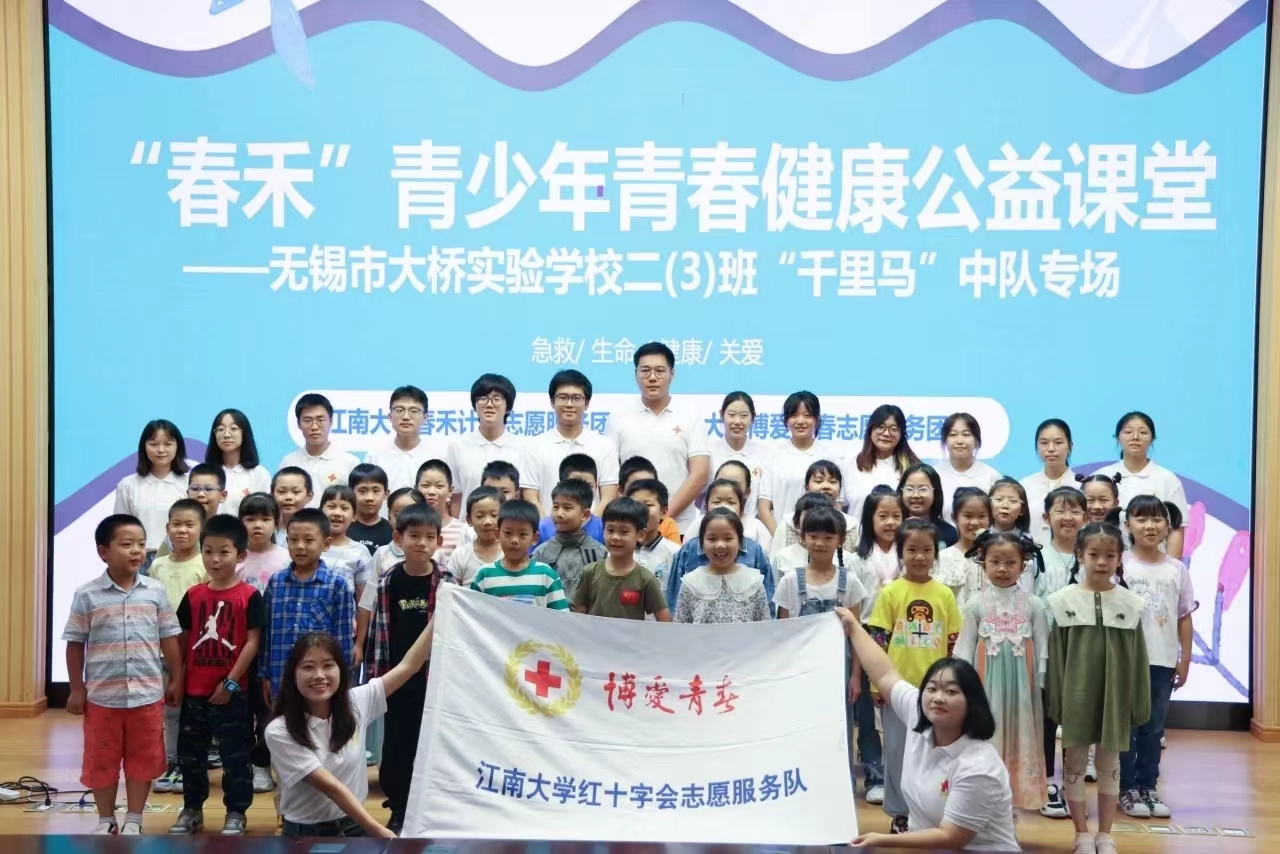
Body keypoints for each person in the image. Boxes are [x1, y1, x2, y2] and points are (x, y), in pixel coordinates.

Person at [834, 607, 1019, 851]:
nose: (938, 698)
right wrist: (854, 627)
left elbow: (951, 837)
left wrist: (881, 839)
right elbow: (885, 674)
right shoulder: (919, 712)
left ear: (971, 703)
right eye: (931, 689)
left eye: (951, 691)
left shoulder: (979, 767)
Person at [63, 514, 183, 836]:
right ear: (103, 552)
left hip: (147, 695)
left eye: (141, 544)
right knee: (101, 761)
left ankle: (134, 819)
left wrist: (177, 678)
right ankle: (106, 819)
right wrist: (77, 688)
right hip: (103, 698)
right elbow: (75, 643)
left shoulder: (155, 591)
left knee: (143, 760)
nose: (136, 551)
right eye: (127, 544)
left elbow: (169, 638)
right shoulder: (87, 594)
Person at [266, 621, 437, 838]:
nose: (319, 675)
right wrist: (377, 830)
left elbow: (409, 666)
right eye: (308, 667)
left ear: (341, 670)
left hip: (354, 826)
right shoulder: (279, 731)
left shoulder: (355, 702)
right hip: (305, 835)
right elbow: (332, 788)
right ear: (293, 675)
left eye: (328, 665)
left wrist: (439, 615)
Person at [1046, 522, 1151, 854]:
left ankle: (1105, 834)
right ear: (1080, 555)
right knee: (1075, 765)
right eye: (1094, 554)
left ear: (1120, 558)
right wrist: (1056, 701)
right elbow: (1057, 657)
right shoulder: (1062, 601)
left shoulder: (1130, 603)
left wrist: (1138, 702)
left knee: (1110, 765)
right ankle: (1081, 833)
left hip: (1114, 698)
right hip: (1076, 696)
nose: (1102, 562)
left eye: (1110, 555)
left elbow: (1138, 659)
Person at [168, 515, 264, 836]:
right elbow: (182, 642)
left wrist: (231, 682)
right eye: (208, 551)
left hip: (233, 695)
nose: (215, 559)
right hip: (194, 695)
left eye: (224, 552)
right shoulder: (193, 595)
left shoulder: (249, 595)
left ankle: (236, 812)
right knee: (190, 757)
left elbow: (252, 643)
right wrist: (178, 680)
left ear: (241, 555)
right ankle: (192, 809)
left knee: (235, 757)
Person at [867, 519, 963, 834]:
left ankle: (932, 813)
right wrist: (876, 684)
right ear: (900, 552)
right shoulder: (890, 592)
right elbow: (878, 640)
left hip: (936, 693)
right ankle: (900, 814)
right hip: (896, 689)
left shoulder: (944, 594)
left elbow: (954, 641)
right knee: (896, 753)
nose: (919, 556)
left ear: (936, 553)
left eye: (926, 550)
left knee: (935, 754)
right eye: (911, 550)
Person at [363, 503, 445, 834]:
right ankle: (398, 808)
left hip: (435, 681)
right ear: (398, 539)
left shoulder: (448, 583)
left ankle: (430, 809)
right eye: (414, 536)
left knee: (432, 746)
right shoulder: (387, 582)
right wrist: (378, 681)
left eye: (429, 537)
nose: (422, 543)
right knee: (397, 746)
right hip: (397, 681)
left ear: (439, 541)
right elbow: (377, 634)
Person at [954, 530, 1049, 813]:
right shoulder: (975, 604)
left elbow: (1043, 649)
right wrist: (963, 689)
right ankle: (983, 805)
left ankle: (1013, 808)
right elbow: (964, 648)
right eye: (995, 561)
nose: (1002, 569)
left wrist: (1041, 685)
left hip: (1023, 693)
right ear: (983, 562)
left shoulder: (1034, 605)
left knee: (1021, 736)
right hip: (985, 689)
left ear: (1024, 564)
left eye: (1010, 562)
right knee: (987, 735)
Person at [774, 505, 867, 794]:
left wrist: (855, 676)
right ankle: (800, 784)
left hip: (838, 670)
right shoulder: (791, 581)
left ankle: (839, 788)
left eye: (828, 537)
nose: (820, 543)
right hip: (800, 670)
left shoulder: (849, 581)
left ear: (841, 540)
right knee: (801, 725)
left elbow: (857, 636)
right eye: (813, 536)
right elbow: (782, 634)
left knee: (838, 727)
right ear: (802, 538)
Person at [1118, 497, 1194, 821]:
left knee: (1152, 728)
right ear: (1127, 525)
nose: (1150, 526)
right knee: (1126, 728)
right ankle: (1126, 788)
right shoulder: (1120, 563)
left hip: (1162, 661)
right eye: (1141, 519)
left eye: (1157, 519)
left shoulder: (1177, 569)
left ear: (1168, 525)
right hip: (1125, 661)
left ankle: (1148, 786)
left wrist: (1184, 659)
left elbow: (1184, 616)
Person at [606, 342, 710, 535]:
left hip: (680, 527)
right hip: (630, 528)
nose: (652, 377)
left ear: (672, 374)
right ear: (635, 374)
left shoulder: (691, 416)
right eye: (645, 370)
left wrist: (663, 518)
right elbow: (610, 475)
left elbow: (700, 474)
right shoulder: (618, 416)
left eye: (660, 371)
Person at [259, 509, 356, 707]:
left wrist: (342, 684)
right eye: (293, 540)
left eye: (309, 540)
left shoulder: (337, 586)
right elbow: (267, 634)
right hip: (280, 679)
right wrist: (265, 674)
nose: (300, 546)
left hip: (320, 684)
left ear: (326, 544)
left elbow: (343, 642)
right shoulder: (276, 583)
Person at [846, 486, 905, 806]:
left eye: (896, 515)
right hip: (868, 635)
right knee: (868, 712)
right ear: (869, 519)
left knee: (900, 707)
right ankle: (874, 775)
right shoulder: (857, 559)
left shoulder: (910, 552)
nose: (890, 522)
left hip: (904, 636)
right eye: (883, 516)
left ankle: (902, 776)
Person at [1035, 486, 1088, 820]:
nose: (1067, 517)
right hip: (1046, 647)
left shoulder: (1091, 554)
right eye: (1060, 510)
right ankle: (1045, 785)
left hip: (1082, 649)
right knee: (1045, 718)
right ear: (1046, 517)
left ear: (1086, 516)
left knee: (1077, 720)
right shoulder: (1036, 557)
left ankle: (1074, 786)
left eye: (1075, 511)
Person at [149, 499, 209, 794]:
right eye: (176, 524)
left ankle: (192, 764)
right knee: (170, 710)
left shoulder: (205, 565)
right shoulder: (157, 565)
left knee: (195, 711)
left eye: (189, 525)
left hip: (196, 652)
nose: (182, 530)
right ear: (167, 528)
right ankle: (171, 762)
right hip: (160, 651)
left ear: (202, 529)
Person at [667, 480, 776, 611]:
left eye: (731, 502)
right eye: (717, 501)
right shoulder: (688, 550)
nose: (723, 506)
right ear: (706, 507)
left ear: (741, 508)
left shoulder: (755, 551)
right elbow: (675, 600)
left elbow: (767, 602)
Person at [523, 369, 620, 515]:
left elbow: (608, 497)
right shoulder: (534, 446)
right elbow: (531, 498)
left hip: (592, 528)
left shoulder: (605, 446)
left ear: (587, 403)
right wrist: (548, 527)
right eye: (562, 397)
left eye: (576, 398)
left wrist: (590, 526)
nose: (569, 404)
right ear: (552, 401)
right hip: (547, 528)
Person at [1094, 412, 1189, 557]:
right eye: (1128, 432)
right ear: (1118, 438)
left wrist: (1171, 567)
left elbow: (1176, 530)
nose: (1135, 437)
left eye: (1143, 432)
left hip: (1154, 562)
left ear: (1152, 439)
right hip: (1107, 561)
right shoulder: (1102, 476)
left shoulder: (1167, 479)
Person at [573, 497, 671, 621]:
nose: (615, 537)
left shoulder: (646, 579)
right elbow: (578, 618)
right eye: (610, 530)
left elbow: (665, 621)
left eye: (624, 532)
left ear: (640, 534)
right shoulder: (589, 573)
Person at [759, 391, 842, 536]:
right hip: (783, 536)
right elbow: (764, 509)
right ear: (786, 420)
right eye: (794, 415)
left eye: (807, 415)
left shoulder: (830, 456)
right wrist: (780, 537)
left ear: (817, 419)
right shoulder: (773, 456)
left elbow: (837, 505)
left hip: (821, 539)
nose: (800, 421)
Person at [114, 419, 190, 568]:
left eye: (168, 444)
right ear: (144, 447)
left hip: (179, 558)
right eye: (154, 444)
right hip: (138, 559)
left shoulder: (189, 483)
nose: (161, 450)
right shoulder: (128, 484)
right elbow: (120, 529)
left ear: (178, 446)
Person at [447, 373, 527, 515]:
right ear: (475, 405)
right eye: (483, 398)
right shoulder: (458, 446)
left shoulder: (523, 447)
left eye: (497, 399)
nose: (489, 404)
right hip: (468, 526)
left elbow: (525, 496)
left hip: (509, 525)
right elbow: (456, 496)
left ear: (508, 407)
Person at [672, 509, 770, 624]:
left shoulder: (754, 582)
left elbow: (764, 628)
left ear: (740, 542)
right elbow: (681, 627)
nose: (720, 545)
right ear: (702, 543)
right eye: (712, 539)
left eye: (728, 538)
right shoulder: (690, 583)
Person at [470, 500, 570, 609]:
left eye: (522, 534)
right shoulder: (484, 575)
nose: (514, 540)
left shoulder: (547, 575)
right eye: (508, 533)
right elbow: (472, 614)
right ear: (497, 535)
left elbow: (561, 617)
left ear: (534, 538)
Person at [279, 394, 360, 509]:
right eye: (307, 420)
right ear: (298, 424)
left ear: (330, 421)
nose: (314, 427)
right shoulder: (289, 462)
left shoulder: (350, 463)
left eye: (320, 420)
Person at [530, 479, 606, 601]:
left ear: (585, 515)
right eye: (555, 507)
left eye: (567, 508)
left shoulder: (600, 552)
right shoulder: (541, 552)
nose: (559, 514)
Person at [363, 386, 448, 492]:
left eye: (414, 411)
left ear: (425, 417)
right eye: (399, 410)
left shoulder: (438, 456)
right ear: (390, 416)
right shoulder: (374, 457)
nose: (406, 417)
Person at [845, 404, 919, 522]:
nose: (886, 433)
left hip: (898, 533)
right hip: (856, 533)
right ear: (870, 429)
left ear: (901, 434)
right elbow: (841, 509)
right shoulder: (852, 465)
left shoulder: (913, 468)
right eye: (881, 427)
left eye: (893, 429)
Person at [774, 460, 860, 555]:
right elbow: (775, 558)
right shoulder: (788, 523)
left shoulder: (851, 524)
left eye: (832, 482)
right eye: (819, 481)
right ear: (806, 487)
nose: (826, 486)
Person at [708, 391, 770, 521]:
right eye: (731, 415)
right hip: (713, 523)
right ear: (721, 415)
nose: (737, 421)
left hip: (751, 525)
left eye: (744, 416)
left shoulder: (765, 453)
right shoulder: (708, 452)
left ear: (753, 417)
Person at [1020, 419, 1077, 546]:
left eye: (1058, 442)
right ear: (1036, 447)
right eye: (1044, 443)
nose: (1051, 449)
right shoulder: (1025, 485)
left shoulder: (1080, 485)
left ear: (1070, 446)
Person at [205, 409, 271, 516]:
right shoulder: (205, 473)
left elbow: (266, 513)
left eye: (234, 428)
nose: (226, 435)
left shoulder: (259, 474)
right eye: (221, 429)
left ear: (244, 433)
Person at [936, 413, 1001, 521]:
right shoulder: (934, 475)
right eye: (953, 435)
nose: (959, 441)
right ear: (945, 441)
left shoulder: (991, 477)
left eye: (966, 434)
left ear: (976, 441)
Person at [933, 487, 991, 605]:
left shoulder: (996, 557)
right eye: (968, 516)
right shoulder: (943, 558)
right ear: (955, 518)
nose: (975, 523)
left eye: (982, 516)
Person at [770, 492, 848, 580]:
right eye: (809, 513)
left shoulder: (847, 560)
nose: (815, 518)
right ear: (797, 520)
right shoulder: (782, 557)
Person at [988, 478, 1045, 595]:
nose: (1005, 505)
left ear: (1022, 510)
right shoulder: (980, 540)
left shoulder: (1029, 543)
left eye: (1013, 501)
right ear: (988, 505)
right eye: (999, 500)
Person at [535, 454, 607, 545]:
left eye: (588, 485)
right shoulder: (542, 528)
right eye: (574, 485)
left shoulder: (603, 528)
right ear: (561, 485)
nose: (581, 490)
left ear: (596, 487)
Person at [319, 485, 372, 605]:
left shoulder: (359, 551)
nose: (337, 513)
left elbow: (365, 600)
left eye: (344, 508)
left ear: (354, 516)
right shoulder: (309, 545)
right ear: (320, 511)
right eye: (331, 507)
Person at [443, 486, 505, 588]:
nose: (487, 522)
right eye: (480, 516)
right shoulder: (460, 555)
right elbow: (451, 590)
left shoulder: (511, 553)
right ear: (469, 520)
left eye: (494, 515)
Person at [627, 478, 681, 592]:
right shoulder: (620, 550)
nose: (641, 510)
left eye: (648, 505)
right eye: (635, 505)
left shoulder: (676, 554)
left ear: (663, 512)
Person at [619, 456, 681, 544]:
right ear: (621, 491)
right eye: (636, 485)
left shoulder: (668, 525)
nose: (643, 489)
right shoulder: (615, 522)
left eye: (649, 484)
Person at [711, 460, 771, 551]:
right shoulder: (698, 524)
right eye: (722, 482)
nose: (727, 488)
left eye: (735, 485)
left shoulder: (757, 529)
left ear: (747, 492)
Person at [237, 493, 291, 592]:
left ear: (276, 524)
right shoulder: (234, 559)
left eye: (265, 519)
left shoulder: (287, 558)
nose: (257, 525)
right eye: (250, 519)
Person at [415, 459, 466, 564]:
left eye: (439, 486)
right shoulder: (409, 529)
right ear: (416, 489)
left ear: (450, 491)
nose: (432, 492)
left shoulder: (462, 531)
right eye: (425, 486)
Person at [899, 463, 958, 547]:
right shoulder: (893, 529)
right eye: (909, 489)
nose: (916, 495)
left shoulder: (949, 533)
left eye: (923, 489)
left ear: (935, 492)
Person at [347, 464, 392, 554]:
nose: (369, 498)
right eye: (363, 491)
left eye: (376, 491)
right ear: (351, 493)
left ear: (386, 494)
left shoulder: (392, 531)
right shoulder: (343, 528)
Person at [271, 467, 313, 544]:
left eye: (296, 492)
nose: (288, 497)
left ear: (309, 496)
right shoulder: (266, 532)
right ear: (272, 495)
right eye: (281, 491)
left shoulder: (317, 532)